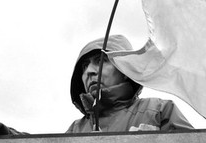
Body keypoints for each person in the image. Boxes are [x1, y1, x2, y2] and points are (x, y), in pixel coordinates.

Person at [66, 35, 194, 133]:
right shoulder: (75, 130)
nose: (89, 71)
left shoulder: (159, 111)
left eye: (100, 61)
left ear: (124, 70)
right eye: (84, 67)